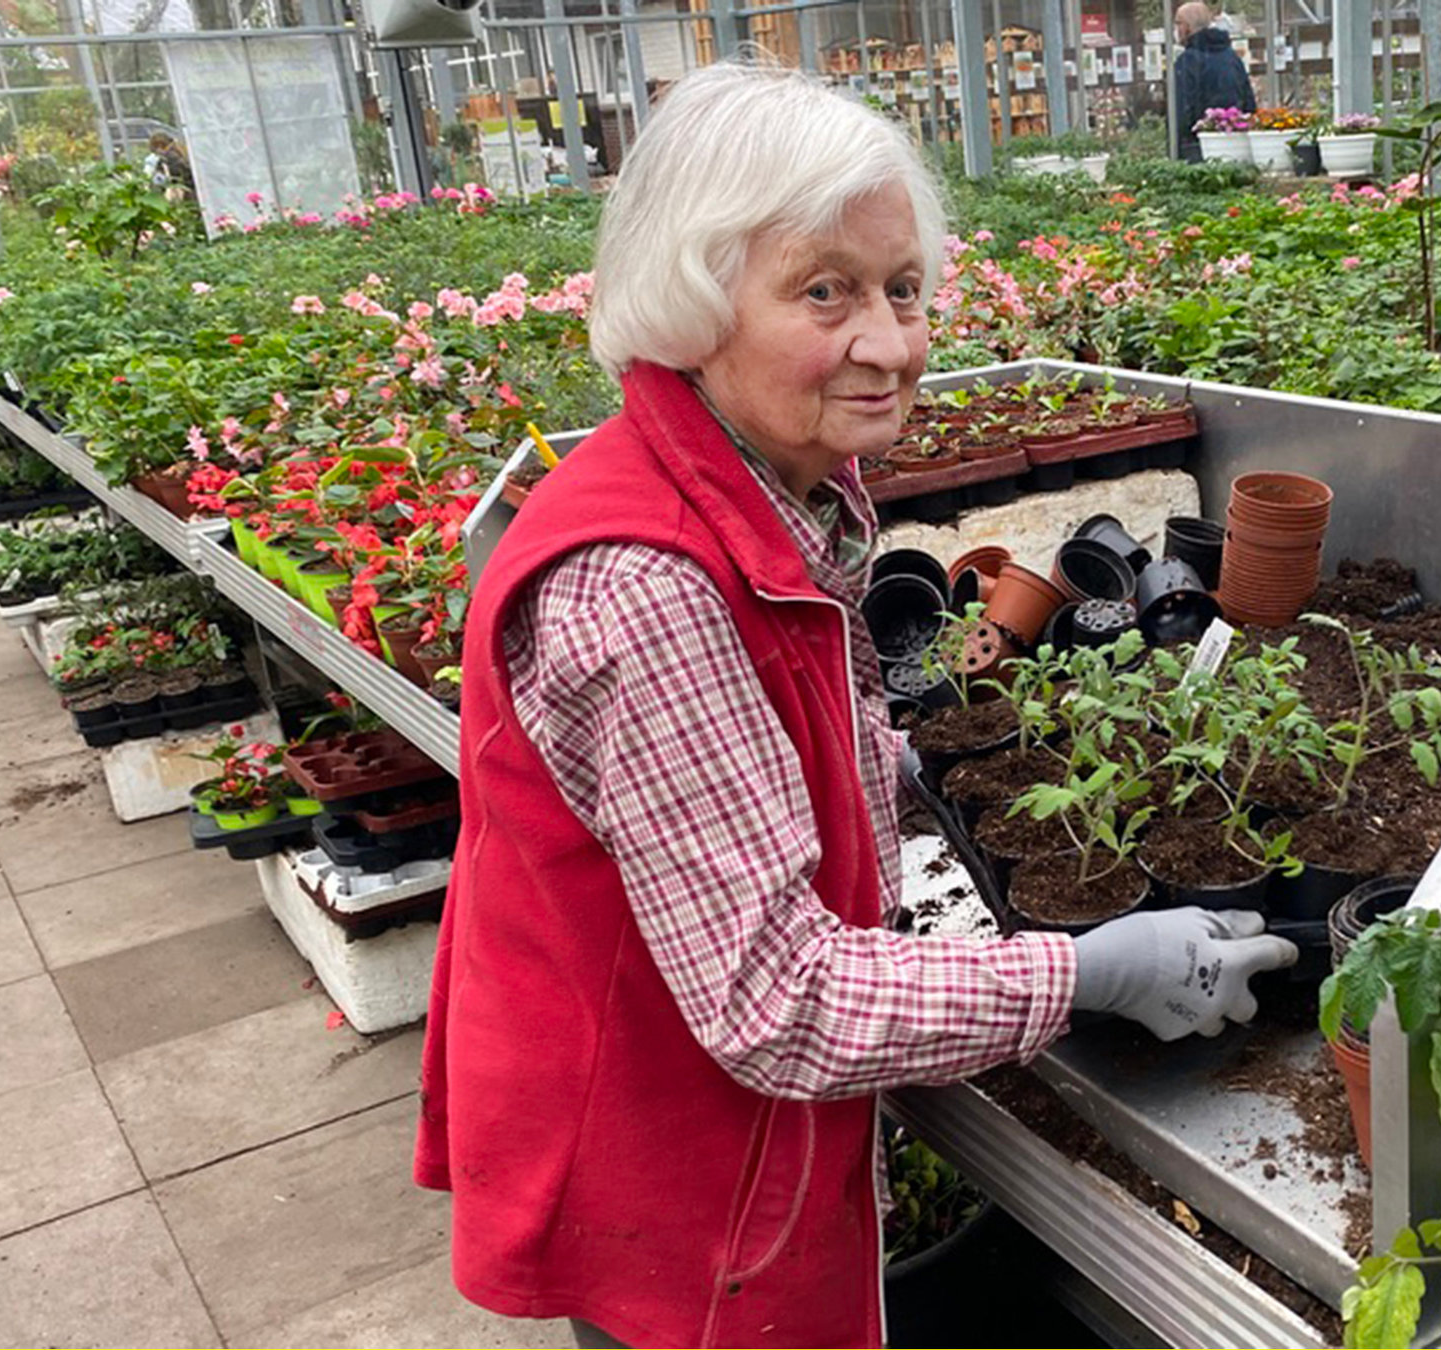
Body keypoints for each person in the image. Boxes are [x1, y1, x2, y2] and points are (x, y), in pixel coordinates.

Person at [412, 61, 1296, 1350]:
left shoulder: (766, 484)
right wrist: (1085, 970)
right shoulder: (648, 587)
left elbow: (787, 718)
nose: (888, 342)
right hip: (672, 1168)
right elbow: (782, 1002)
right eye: (822, 291)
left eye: (902, 289)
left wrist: (922, 764)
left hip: (694, 1110)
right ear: (695, 298)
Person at [1172, 1, 1255, 161]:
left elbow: (1181, 110)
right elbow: (1248, 101)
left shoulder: (1187, 61)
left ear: (1187, 27)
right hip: (1237, 144)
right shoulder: (1231, 57)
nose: (1176, 29)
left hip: (1198, 147)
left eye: (1178, 23)